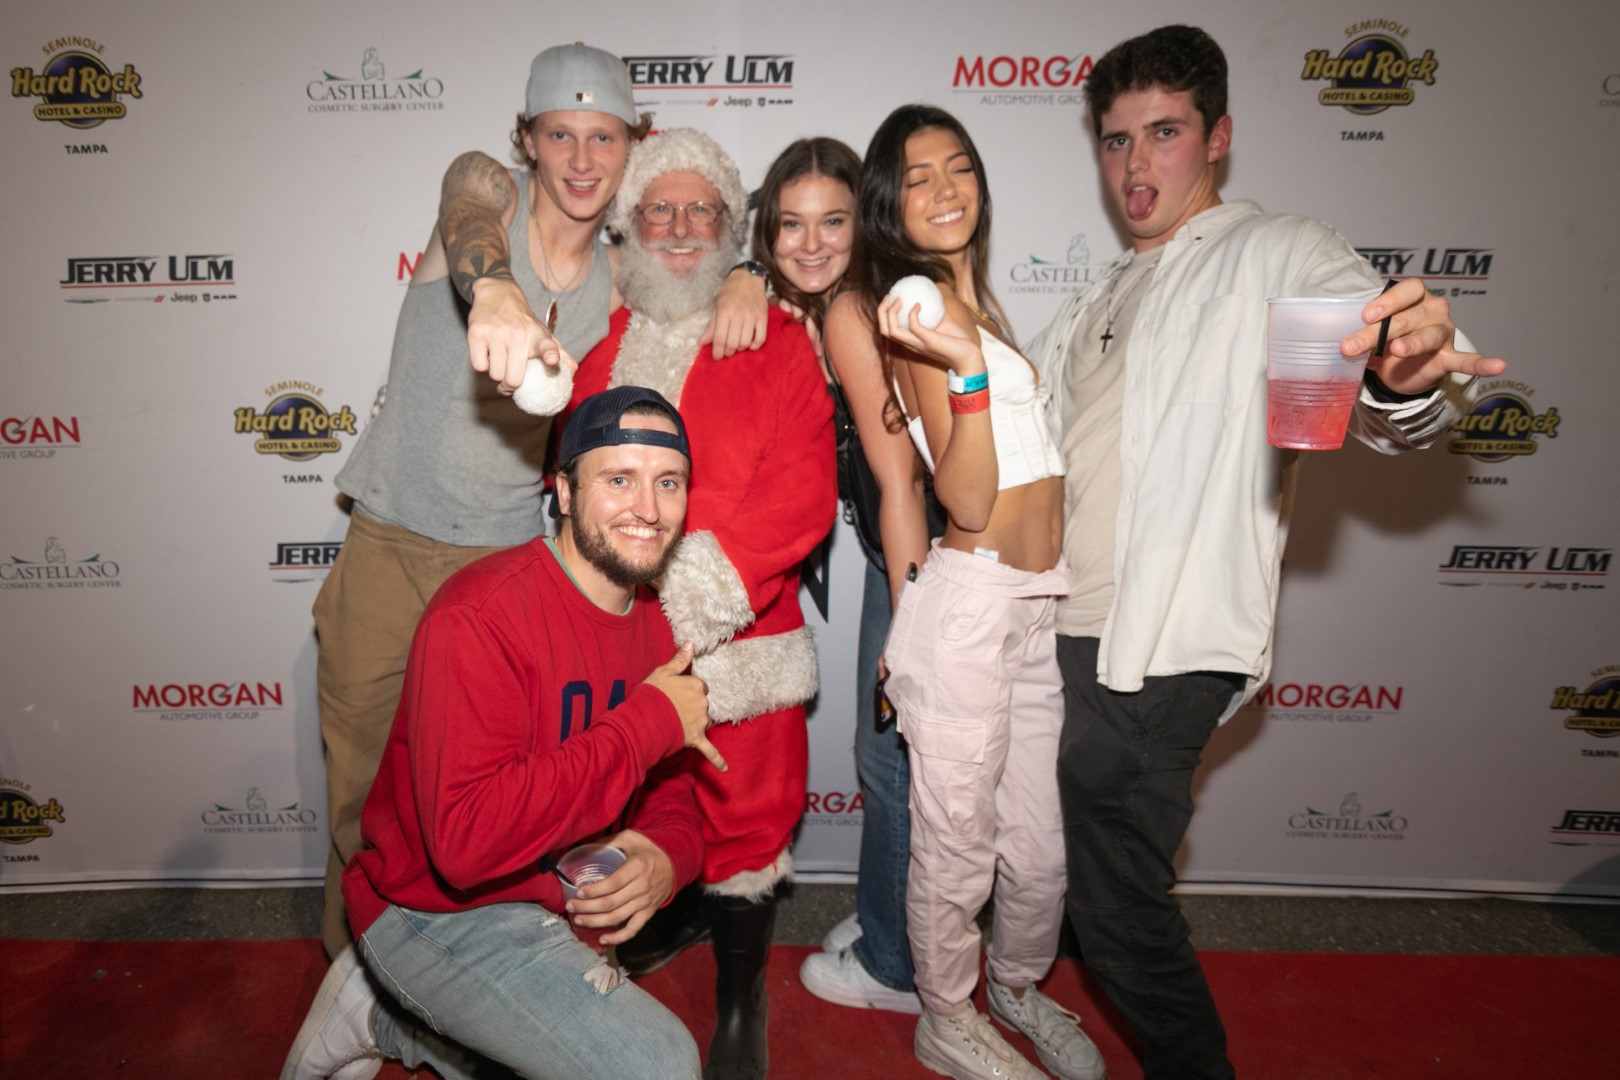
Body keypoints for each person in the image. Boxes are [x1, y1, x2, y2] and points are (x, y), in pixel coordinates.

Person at [1024, 26, 1508, 1080]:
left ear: (1219, 138)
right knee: (1075, 876)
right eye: (1116, 139)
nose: (1136, 163)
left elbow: (1381, 376)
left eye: (1164, 132)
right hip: (1067, 630)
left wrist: (1405, 374)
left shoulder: (1277, 253)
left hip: (1161, 646)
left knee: (1117, 909)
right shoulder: (1097, 295)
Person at [314, 42, 769, 961]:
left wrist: (745, 274)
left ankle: (483, 991)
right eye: (560, 134)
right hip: (391, 550)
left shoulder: (621, 270)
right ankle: (353, 985)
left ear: (633, 143)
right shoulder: (489, 202)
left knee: (508, 812)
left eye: (605, 137)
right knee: (362, 806)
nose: (582, 159)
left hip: (506, 572)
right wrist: (493, 291)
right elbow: (465, 199)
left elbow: (698, 249)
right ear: (527, 138)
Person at [283, 387, 724, 1080]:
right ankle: (383, 1000)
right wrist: (647, 724)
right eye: (618, 479)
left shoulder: (657, 630)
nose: (647, 507)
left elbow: (673, 797)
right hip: (433, 910)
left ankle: (394, 1021)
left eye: (667, 482)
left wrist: (667, 860)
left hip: (558, 892)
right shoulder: (480, 614)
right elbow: (463, 846)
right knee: (657, 1066)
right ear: (566, 493)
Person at [560, 128, 837, 1080]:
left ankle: (742, 999)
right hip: (614, 640)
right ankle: (661, 917)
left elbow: (800, 499)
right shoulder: (597, 350)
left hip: (741, 640)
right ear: (629, 227)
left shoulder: (778, 340)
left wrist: (695, 595)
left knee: (746, 825)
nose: (680, 228)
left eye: (702, 210)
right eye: (659, 210)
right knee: (620, 800)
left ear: (730, 228)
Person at [856, 104, 1105, 1080]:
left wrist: (975, 352)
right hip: (972, 605)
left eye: (958, 166)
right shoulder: (921, 305)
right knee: (957, 844)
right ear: (891, 204)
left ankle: (1015, 986)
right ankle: (946, 1015)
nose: (946, 188)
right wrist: (963, 368)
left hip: (1034, 606)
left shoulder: (974, 303)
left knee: (1039, 852)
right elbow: (962, 499)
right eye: (918, 177)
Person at [763, 138, 933, 1015]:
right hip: (897, 552)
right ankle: (887, 922)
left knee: (891, 758)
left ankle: (896, 966)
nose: (811, 243)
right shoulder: (835, 303)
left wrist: (912, 627)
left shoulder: (852, 311)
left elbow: (902, 483)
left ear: (863, 224)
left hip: (922, 557)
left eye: (833, 221)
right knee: (894, 756)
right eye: (791, 224)